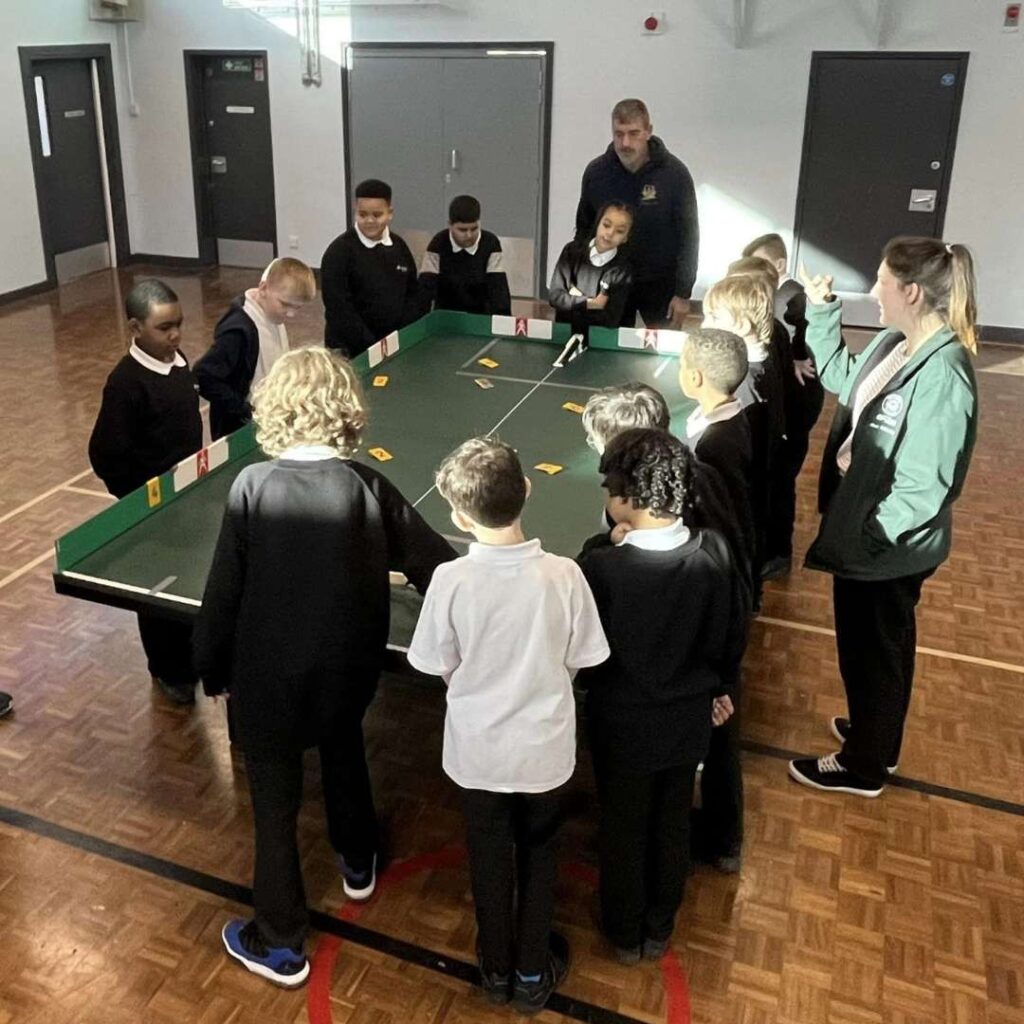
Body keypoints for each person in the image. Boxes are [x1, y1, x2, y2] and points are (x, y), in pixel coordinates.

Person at [194, 347, 456, 988]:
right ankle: (358, 860)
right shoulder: (368, 486)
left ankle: (280, 941)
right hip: (347, 670)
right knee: (344, 750)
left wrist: (210, 665)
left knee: (275, 810)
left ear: (275, 411)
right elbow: (440, 570)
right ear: (347, 412)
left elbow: (223, 592)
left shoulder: (252, 486)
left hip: (268, 679)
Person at [407, 437, 609, 1013]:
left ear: (457, 515)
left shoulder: (449, 581)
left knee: (487, 853)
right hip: (544, 751)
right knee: (541, 852)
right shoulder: (565, 576)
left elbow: (433, 662)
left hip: (478, 754)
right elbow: (583, 657)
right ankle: (530, 971)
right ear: (526, 489)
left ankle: (494, 967)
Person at [788, 237, 979, 797]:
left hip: (885, 547)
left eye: (881, 282)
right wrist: (825, 313)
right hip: (869, 532)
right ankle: (879, 734)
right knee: (883, 647)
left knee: (872, 652)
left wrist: (871, 536)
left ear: (912, 292)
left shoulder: (943, 375)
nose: (873, 292)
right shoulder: (899, 344)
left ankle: (864, 764)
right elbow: (843, 379)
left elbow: (925, 487)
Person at [576, 428, 742, 962]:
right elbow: (728, 635)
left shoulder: (601, 564)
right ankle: (658, 924)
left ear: (627, 499)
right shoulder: (712, 554)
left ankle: (623, 931)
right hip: (686, 720)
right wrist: (715, 687)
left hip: (619, 722)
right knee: (672, 819)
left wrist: (607, 541)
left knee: (622, 824)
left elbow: (584, 645)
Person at [88, 279, 202, 706]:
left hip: (186, 498)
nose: (175, 336)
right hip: (151, 509)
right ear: (135, 328)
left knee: (187, 577)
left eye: (179, 325)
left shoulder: (178, 361)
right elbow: (104, 455)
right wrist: (139, 499)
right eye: (164, 328)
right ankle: (168, 670)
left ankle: (192, 655)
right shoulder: (124, 385)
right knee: (157, 592)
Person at [677, 328, 754, 872]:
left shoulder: (714, 447)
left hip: (719, 598)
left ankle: (722, 835)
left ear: (695, 377)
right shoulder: (724, 424)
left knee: (720, 722)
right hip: (728, 586)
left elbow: (719, 528)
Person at [574, 98, 698, 329]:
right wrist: (583, 279)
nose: (625, 142)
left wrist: (683, 293)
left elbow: (689, 237)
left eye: (634, 133)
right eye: (618, 134)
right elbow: (584, 230)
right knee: (606, 351)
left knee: (662, 353)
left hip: (661, 284)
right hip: (610, 282)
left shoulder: (675, 175)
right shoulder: (596, 173)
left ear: (649, 131)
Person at [701, 274, 783, 585]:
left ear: (744, 325)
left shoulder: (745, 384)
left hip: (746, 494)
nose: (706, 324)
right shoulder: (762, 361)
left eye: (714, 317)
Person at [195, 257, 317, 440]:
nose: (291, 314)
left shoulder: (273, 314)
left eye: (297, 308)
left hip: (269, 420)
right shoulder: (238, 330)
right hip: (242, 429)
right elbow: (204, 376)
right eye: (285, 304)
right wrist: (245, 411)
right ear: (263, 288)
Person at [320, 179, 419, 357]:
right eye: (363, 214)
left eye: (377, 214)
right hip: (351, 350)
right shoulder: (339, 252)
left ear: (390, 213)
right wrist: (372, 348)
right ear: (355, 212)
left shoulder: (399, 246)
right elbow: (339, 308)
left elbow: (412, 294)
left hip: (392, 346)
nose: (369, 221)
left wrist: (400, 336)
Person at [549, 202, 634, 339]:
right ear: (598, 223)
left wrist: (573, 298)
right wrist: (593, 303)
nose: (610, 233)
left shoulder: (622, 270)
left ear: (626, 237)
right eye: (606, 225)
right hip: (564, 335)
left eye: (619, 231)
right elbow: (555, 297)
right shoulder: (571, 252)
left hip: (600, 341)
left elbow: (610, 319)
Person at [418, 194, 511, 315]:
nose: (469, 235)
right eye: (462, 230)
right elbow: (424, 291)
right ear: (450, 225)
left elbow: (499, 291)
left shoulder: (490, 243)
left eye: (474, 229)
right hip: (445, 317)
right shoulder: (438, 243)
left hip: (480, 317)